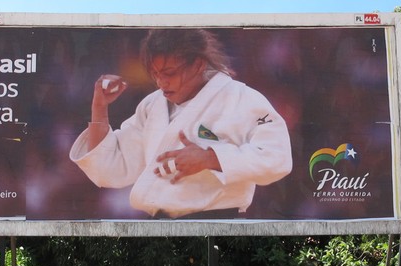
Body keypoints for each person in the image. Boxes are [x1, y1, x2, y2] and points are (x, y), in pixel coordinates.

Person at [69, 29, 292, 219]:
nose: (161, 82)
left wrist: (211, 158)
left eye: (169, 73)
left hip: (218, 226)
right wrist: (99, 108)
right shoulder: (152, 104)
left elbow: (277, 157)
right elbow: (110, 168)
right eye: (155, 74)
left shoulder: (240, 98)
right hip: (160, 229)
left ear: (198, 64)